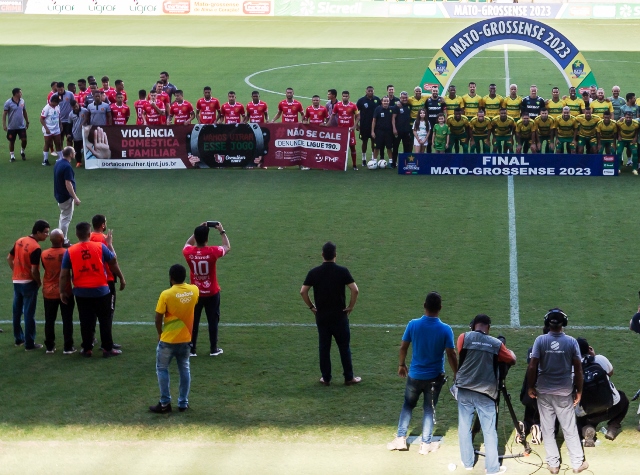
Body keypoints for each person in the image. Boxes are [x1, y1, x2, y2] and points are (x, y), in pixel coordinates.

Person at [387, 291, 457, 454]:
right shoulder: (445, 329)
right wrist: (456, 373)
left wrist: (401, 365)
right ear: (440, 308)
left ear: (424, 306)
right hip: (434, 378)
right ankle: (425, 444)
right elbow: (451, 354)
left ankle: (400, 438)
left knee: (408, 406)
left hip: (415, 376)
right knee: (429, 409)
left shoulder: (413, 324)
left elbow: (403, 347)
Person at [526, 308, 588, 474]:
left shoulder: (540, 340)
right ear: (564, 323)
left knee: (547, 429)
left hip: (544, 392)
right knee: (569, 428)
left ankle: (553, 464)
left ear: (547, 323)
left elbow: (532, 366)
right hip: (564, 393)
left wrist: (530, 386)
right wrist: (579, 391)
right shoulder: (571, 342)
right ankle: (577, 463)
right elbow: (579, 370)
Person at [455, 314, 515, 474]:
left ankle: (467, 462)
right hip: (485, 392)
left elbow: (462, 353)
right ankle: (492, 468)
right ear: (488, 327)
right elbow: (511, 359)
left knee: (464, 427)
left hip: (464, 389)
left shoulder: (463, 338)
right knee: (489, 431)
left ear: (473, 325)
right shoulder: (495, 344)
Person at [59, 222, 125, 358]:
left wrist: (62, 291)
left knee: (85, 320)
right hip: (101, 290)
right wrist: (121, 278)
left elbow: (64, 274)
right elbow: (113, 262)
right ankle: (107, 349)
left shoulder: (70, 251)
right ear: (89, 234)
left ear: (77, 235)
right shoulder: (100, 247)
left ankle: (87, 349)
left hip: (81, 292)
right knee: (105, 320)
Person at [300, 242, 360, 386]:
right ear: (335, 255)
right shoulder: (342, 271)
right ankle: (349, 377)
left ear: (322, 255)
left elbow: (303, 291)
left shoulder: (314, 272)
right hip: (339, 316)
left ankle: (326, 378)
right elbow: (355, 290)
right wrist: (350, 306)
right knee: (344, 346)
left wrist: (312, 307)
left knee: (324, 347)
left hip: (322, 316)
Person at [149, 264, 199, 414]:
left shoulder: (166, 294)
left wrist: (159, 333)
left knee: (162, 369)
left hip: (168, 341)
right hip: (186, 339)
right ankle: (183, 402)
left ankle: (165, 403)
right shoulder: (194, 290)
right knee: (184, 368)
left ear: (171, 278)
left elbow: (158, 317)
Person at [182, 222, 230, 357]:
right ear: (207, 240)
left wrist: (197, 232)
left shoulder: (188, 252)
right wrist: (222, 231)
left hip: (195, 293)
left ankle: (192, 349)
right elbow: (227, 246)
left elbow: (187, 244)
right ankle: (213, 349)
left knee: (194, 320)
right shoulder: (212, 251)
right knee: (213, 320)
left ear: (196, 238)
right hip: (212, 292)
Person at [575, 338, 629, 446]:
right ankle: (613, 427)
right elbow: (610, 373)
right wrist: (593, 355)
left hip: (588, 413)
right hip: (612, 407)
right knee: (623, 399)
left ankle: (588, 430)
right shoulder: (600, 359)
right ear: (589, 348)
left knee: (577, 421)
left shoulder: (572, 367)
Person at [7, 220, 50, 350]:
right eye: (45, 232)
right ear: (38, 232)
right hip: (28, 283)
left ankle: (18, 339)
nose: (47, 235)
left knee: (17, 311)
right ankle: (30, 344)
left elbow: (9, 258)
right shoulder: (35, 248)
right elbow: (34, 270)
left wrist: (16, 271)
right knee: (28, 313)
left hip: (16, 281)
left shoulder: (20, 240)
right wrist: (38, 282)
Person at [90, 214, 122, 350]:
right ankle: (107, 343)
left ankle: (90, 339)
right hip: (106, 280)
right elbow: (113, 259)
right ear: (103, 225)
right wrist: (121, 277)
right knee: (108, 313)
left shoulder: (88, 237)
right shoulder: (104, 239)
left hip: (90, 279)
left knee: (91, 313)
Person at [41, 228, 75, 354]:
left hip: (48, 291)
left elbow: (45, 268)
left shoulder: (44, 254)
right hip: (65, 291)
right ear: (62, 240)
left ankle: (49, 347)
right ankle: (68, 346)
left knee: (49, 319)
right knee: (67, 319)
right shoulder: (67, 253)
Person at [53, 147, 81, 247]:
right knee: (65, 219)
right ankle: (63, 240)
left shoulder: (58, 162)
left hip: (59, 194)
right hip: (65, 197)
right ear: (70, 154)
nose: (75, 153)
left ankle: (59, 237)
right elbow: (68, 184)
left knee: (63, 217)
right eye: (74, 152)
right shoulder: (67, 167)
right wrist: (75, 197)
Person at [331, 91, 359, 170]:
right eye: (344, 96)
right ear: (341, 96)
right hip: (341, 131)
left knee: (352, 147)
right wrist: (327, 124)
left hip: (350, 130)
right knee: (339, 148)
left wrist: (354, 125)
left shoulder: (353, 106)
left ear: (349, 97)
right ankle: (340, 164)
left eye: (346, 96)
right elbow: (332, 115)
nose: (345, 97)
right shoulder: (337, 105)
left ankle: (354, 165)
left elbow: (358, 116)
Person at [356, 86, 380, 166]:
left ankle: (373, 158)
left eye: (371, 91)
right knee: (364, 141)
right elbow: (356, 113)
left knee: (374, 141)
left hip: (375, 125)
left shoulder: (377, 100)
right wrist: (357, 125)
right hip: (364, 125)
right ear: (366, 91)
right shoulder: (361, 101)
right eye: (369, 91)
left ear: (373, 91)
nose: (370, 92)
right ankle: (363, 159)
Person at [3, 87, 29, 162]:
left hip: (21, 125)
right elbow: (4, 114)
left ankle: (22, 151)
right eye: (20, 92)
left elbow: (24, 111)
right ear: (16, 93)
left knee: (24, 140)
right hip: (12, 126)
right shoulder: (8, 102)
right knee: (12, 141)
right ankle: (12, 156)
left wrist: (27, 121)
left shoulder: (22, 101)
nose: (21, 93)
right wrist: (4, 125)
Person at [391, 92, 412, 168]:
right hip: (398, 130)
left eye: (406, 98)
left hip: (407, 130)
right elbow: (393, 118)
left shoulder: (409, 105)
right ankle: (394, 163)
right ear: (400, 98)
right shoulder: (397, 106)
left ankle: (406, 163)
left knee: (407, 148)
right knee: (395, 147)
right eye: (403, 98)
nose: (404, 99)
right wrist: (394, 128)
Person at [40, 94, 61, 166]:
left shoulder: (57, 107)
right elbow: (41, 119)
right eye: (57, 102)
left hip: (56, 129)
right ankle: (45, 160)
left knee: (58, 143)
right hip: (48, 129)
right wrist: (46, 128)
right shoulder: (46, 108)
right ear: (53, 101)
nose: (58, 103)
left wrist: (60, 125)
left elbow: (59, 116)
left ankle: (60, 158)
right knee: (47, 144)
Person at [371, 96, 393, 164]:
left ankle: (391, 162)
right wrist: (372, 131)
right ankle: (374, 161)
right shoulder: (378, 109)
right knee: (377, 147)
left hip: (389, 132)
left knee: (389, 147)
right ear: (382, 102)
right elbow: (374, 121)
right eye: (384, 101)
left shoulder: (391, 109)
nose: (386, 102)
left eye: (387, 101)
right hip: (379, 131)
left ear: (389, 102)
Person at [68, 99, 89, 167]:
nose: (76, 107)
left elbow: (88, 118)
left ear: (78, 104)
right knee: (77, 149)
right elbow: (70, 124)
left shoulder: (84, 111)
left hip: (85, 132)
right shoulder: (71, 114)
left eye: (76, 106)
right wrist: (70, 133)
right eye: (74, 107)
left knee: (87, 147)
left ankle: (88, 160)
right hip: (76, 133)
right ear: (72, 107)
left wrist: (83, 123)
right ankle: (79, 161)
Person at [425, 86, 445, 153]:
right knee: (429, 142)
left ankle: (440, 158)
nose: (435, 92)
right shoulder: (428, 101)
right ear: (431, 91)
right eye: (434, 91)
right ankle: (429, 157)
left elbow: (445, 112)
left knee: (440, 141)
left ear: (438, 92)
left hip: (439, 125)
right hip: (430, 124)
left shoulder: (441, 100)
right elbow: (425, 112)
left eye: (436, 91)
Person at [56, 82, 75, 146]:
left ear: (64, 88)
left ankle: (69, 152)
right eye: (58, 89)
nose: (60, 91)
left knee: (69, 138)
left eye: (61, 89)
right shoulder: (54, 96)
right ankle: (61, 154)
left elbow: (74, 104)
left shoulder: (70, 94)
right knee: (59, 138)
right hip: (59, 121)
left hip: (69, 120)